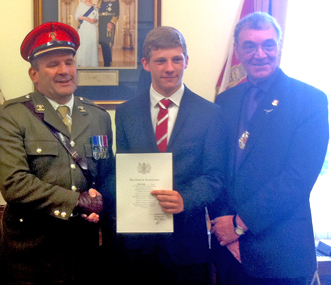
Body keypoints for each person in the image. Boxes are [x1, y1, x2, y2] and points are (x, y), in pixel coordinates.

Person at [0, 22, 115, 285]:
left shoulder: (98, 117)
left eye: (69, 62)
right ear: (34, 74)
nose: (64, 71)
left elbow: (105, 173)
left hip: (84, 254)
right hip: (31, 257)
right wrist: (76, 201)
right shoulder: (11, 116)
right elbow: (14, 184)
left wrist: (101, 204)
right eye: (53, 64)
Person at [211, 12, 329, 285]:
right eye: (249, 46)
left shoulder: (309, 100)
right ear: (238, 50)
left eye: (268, 44)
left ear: (279, 46)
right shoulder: (225, 101)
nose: (259, 54)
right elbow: (215, 170)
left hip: (281, 256)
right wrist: (224, 227)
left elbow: (297, 179)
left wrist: (239, 225)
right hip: (229, 255)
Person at [114, 26, 227, 284]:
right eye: (161, 60)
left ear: (186, 60)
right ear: (146, 63)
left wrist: (184, 198)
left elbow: (215, 176)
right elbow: (124, 169)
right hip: (137, 247)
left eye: (177, 59)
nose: (170, 68)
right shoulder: (126, 113)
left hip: (187, 245)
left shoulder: (210, 114)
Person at [75, 0, 99, 67]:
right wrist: (86, 18)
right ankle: (83, 63)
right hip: (84, 27)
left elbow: (97, 17)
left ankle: (93, 64)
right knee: (84, 43)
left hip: (92, 27)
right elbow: (77, 16)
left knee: (92, 43)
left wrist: (94, 20)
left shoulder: (94, 6)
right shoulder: (81, 4)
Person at [97, 0, 119, 67]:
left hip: (109, 24)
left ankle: (107, 63)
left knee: (108, 43)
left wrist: (112, 22)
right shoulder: (100, 1)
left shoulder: (115, 1)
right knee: (103, 43)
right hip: (101, 24)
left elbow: (117, 13)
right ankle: (107, 61)